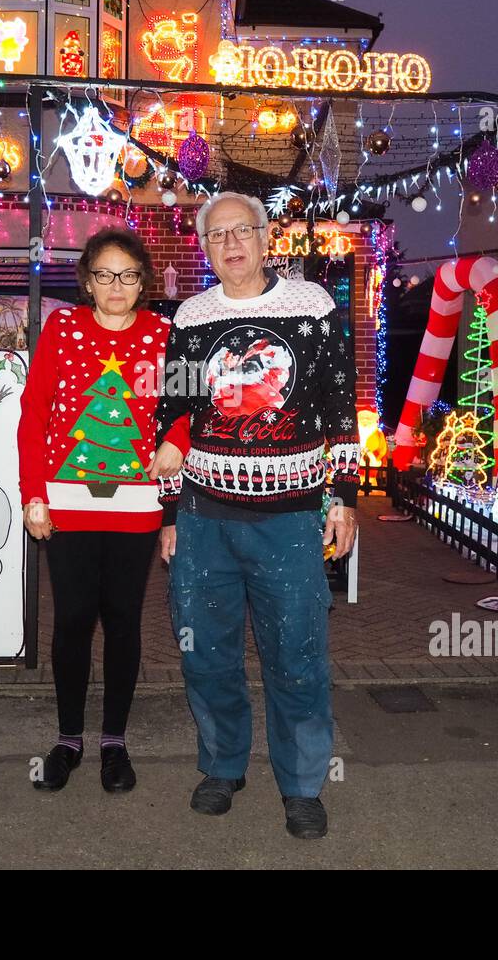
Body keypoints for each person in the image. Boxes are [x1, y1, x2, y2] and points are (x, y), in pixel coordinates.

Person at [152, 191, 360, 839]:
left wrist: (344, 496)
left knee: (297, 653)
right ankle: (222, 765)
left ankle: (301, 785)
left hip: (291, 517)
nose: (232, 243)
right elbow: (174, 417)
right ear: (206, 248)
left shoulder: (313, 304)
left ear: (266, 238)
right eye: (218, 235)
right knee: (204, 652)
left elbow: (338, 407)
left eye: (243, 230)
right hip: (202, 514)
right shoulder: (192, 315)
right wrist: (169, 515)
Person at [17, 227, 189, 794]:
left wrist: (178, 446)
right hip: (65, 503)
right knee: (70, 620)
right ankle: (69, 739)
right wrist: (33, 494)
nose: (117, 285)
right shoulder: (62, 327)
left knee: (122, 621)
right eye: (105, 275)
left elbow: (189, 406)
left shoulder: (165, 334)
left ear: (142, 281)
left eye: (129, 275)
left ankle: (114, 740)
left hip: (138, 505)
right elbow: (34, 412)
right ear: (88, 282)